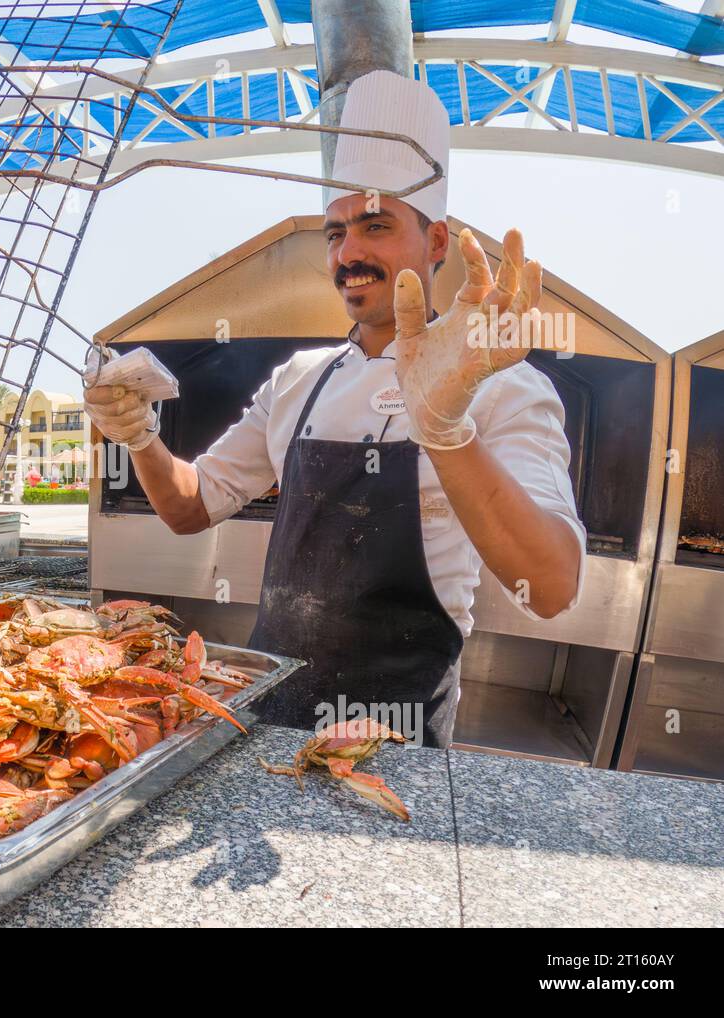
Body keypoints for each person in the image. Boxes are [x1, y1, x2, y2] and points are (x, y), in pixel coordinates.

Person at [83, 70, 585, 748]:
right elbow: (191, 506)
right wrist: (138, 436)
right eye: (336, 232)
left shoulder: (506, 388)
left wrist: (445, 426)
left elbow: (551, 586)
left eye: (376, 226)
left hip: (395, 734)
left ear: (436, 243)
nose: (350, 253)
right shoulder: (299, 378)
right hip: (265, 714)